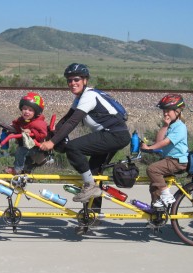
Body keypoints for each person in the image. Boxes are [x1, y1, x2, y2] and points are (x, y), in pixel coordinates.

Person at [40, 63, 131, 202]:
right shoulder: (80, 98)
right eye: (69, 80)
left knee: (73, 147)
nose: (72, 83)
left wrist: (52, 142)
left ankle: (90, 186)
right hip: (111, 134)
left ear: (85, 80)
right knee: (93, 172)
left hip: (114, 135)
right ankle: (92, 217)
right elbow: (65, 120)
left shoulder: (89, 96)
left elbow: (72, 122)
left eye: (76, 79)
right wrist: (49, 133)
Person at [140, 94, 188, 207]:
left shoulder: (180, 127)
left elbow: (165, 142)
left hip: (178, 161)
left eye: (168, 111)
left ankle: (167, 195)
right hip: (170, 160)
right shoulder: (170, 126)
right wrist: (165, 125)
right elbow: (159, 141)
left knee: (152, 169)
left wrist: (150, 148)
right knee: (154, 185)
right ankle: (157, 213)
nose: (165, 113)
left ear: (177, 111)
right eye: (164, 111)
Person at [4, 92, 48, 175]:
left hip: (37, 148)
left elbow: (43, 134)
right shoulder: (22, 120)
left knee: (20, 151)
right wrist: (11, 129)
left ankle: (17, 169)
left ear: (36, 112)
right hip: (28, 145)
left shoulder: (38, 123)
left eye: (30, 110)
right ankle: (25, 172)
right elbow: (16, 124)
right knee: (21, 152)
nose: (26, 112)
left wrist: (32, 132)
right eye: (24, 108)